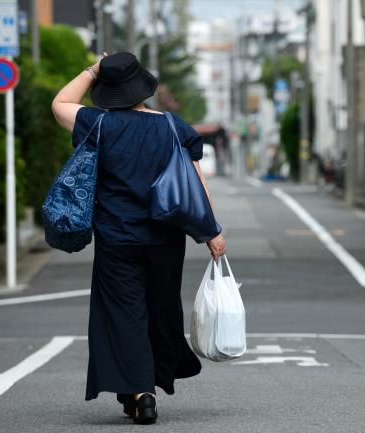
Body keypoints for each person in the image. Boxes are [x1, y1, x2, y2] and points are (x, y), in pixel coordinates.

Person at [51, 51, 226, 425]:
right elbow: (195, 180)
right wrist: (212, 231)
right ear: (142, 86)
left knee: (124, 313)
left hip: (117, 237)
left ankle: (141, 392)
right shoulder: (171, 125)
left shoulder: (97, 124)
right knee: (159, 309)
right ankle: (151, 381)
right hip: (165, 238)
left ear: (107, 90)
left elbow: (60, 102)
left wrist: (93, 69)